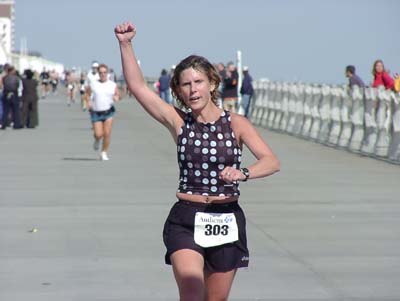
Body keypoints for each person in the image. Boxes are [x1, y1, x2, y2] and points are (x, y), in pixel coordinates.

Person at [115, 21, 280, 300]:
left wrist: (243, 173)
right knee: (191, 293)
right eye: (185, 85)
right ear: (178, 91)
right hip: (187, 219)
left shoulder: (236, 124)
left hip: (226, 218)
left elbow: (271, 161)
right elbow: (138, 88)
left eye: (198, 82)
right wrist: (125, 44)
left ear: (212, 83)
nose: (192, 90)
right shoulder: (179, 122)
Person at [85, 63, 120, 161]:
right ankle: (97, 140)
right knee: (98, 134)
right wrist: (88, 101)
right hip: (96, 112)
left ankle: (104, 152)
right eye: (101, 72)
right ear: (98, 73)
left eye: (104, 72)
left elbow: (118, 94)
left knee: (107, 133)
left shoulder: (112, 85)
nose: (103, 74)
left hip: (108, 111)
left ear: (107, 73)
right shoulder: (93, 84)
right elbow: (87, 94)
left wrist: (117, 97)